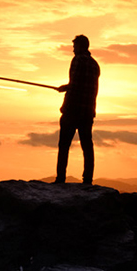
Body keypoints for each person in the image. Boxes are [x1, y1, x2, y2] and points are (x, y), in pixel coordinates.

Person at [55, 34, 99, 186]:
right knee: (87, 146)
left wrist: (64, 106)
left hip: (73, 110)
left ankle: (61, 179)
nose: (73, 50)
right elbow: (86, 86)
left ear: (80, 46)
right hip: (88, 112)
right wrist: (66, 87)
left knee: (64, 145)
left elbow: (74, 86)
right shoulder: (95, 64)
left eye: (74, 47)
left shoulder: (77, 60)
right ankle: (88, 180)